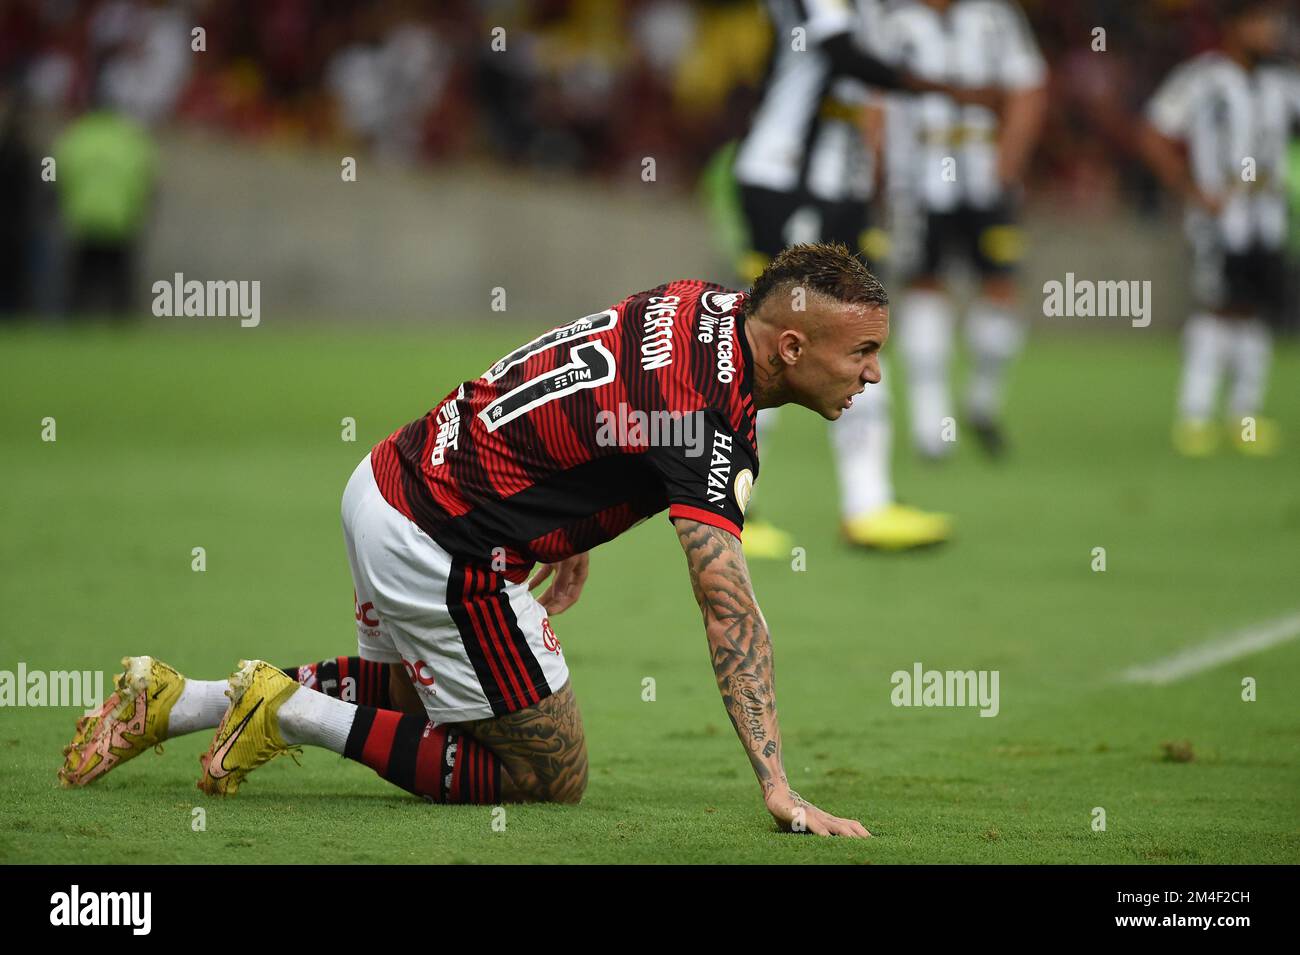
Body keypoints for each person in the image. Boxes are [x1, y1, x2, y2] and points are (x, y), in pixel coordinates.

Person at [61, 243, 885, 837]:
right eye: (863, 353)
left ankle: (181, 700)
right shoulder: (709, 422)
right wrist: (779, 785)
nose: (873, 375)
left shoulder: (699, 302)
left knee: (430, 693)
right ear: (791, 346)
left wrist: (569, 525)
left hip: (388, 478)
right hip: (445, 547)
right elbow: (727, 607)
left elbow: (587, 385)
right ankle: (295, 711)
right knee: (549, 773)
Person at [732, 0, 971, 553]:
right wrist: (941, 89)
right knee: (767, 339)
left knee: (857, 327)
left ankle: (869, 502)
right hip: (785, 176)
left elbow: (861, 89)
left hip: (838, 187)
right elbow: (845, 54)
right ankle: (732, 506)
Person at [883, 0, 1047, 460]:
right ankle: (930, 425)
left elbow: (1028, 88)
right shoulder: (895, 22)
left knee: (1000, 288)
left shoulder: (996, 18)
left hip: (985, 172)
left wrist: (1010, 160)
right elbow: (875, 97)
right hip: (917, 176)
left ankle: (981, 400)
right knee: (924, 285)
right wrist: (878, 165)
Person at [1135, 0, 1298, 457]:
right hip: (1221, 218)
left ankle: (1246, 417)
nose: (1273, 31)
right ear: (1235, 25)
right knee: (1217, 307)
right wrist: (1189, 187)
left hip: (1267, 214)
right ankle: (1196, 416)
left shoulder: (1283, 82)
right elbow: (1152, 133)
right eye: (1263, 20)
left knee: (1256, 310)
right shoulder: (1203, 78)